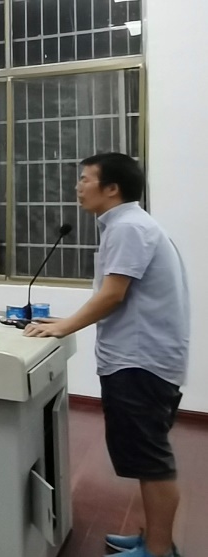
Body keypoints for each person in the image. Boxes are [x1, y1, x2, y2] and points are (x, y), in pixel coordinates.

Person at [25, 154, 189, 557]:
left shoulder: (128, 227)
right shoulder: (129, 224)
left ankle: (158, 550)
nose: (78, 187)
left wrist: (65, 326)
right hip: (143, 359)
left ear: (112, 188)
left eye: (85, 179)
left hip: (139, 362)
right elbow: (115, 295)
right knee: (147, 457)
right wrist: (67, 320)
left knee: (152, 462)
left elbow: (114, 294)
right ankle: (152, 537)